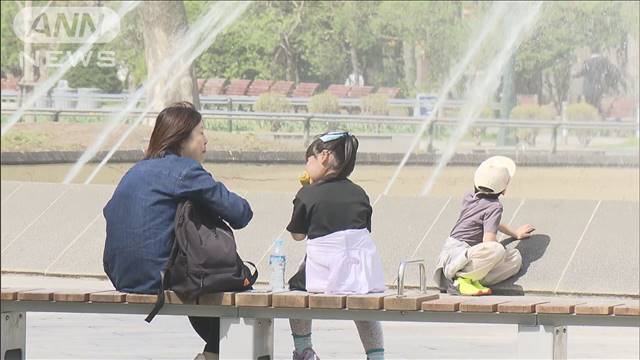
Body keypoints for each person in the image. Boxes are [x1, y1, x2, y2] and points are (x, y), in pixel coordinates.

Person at [103, 102, 252, 360]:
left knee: (198, 274)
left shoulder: (136, 170)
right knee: (237, 288)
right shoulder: (185, 171)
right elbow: (240, 213)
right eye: (201, 133)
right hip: (158, 277)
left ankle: (212, 353)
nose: (206, 139)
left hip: (123, 275)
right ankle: (214, 353)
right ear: (182, 140)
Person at [286, 131, 386, 360]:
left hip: (323, 277)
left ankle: (304, 350)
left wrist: (305, 193)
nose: (307, 164)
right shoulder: (360, 193)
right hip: (363, 277)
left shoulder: (307, 194)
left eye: (309, 159)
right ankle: (376, 355)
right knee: (362, 302)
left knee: (294, 289)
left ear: (323, 156)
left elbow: (298, 236)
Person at [433, 156, 535, 296]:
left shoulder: (469, 196)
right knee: (498, 250)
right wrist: (499, 252)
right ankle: (460, 280)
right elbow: (489, 241)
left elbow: (492, 223)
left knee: (515, 259)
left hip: (451, 253)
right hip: (459, 256)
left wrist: (515, 234)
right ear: (504, 190)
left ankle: (468, 281)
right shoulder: (494, 206)